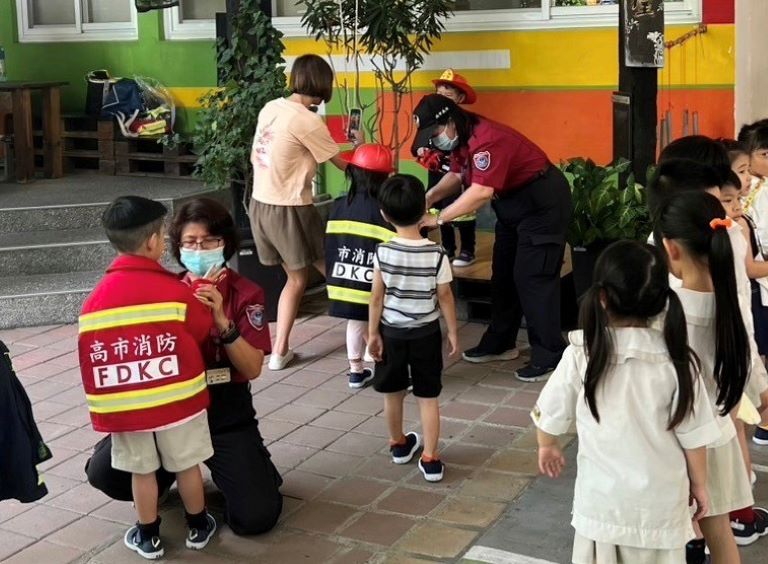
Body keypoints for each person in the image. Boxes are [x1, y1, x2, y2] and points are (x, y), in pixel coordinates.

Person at [85, 197, 284, 538]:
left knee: (256, 517)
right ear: (171, 245)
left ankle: (253, 468)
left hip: (223, 411)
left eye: (210, 241)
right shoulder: (161, 291)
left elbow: (252, 368)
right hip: (166, 411)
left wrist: (222, 320)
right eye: (190, 242)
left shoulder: (244, 292)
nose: (200, 248)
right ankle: (162, 477)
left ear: (226, 244)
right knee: (105, 472)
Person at [533, 240, 718, 564]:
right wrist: (700, 486)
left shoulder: (582, 354)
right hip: (661, 509)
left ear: (602, 298)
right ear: (662, 299)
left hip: (601, 507)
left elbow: (550, 413)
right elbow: (693, 439)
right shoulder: (678, 363)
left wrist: (547, 445)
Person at [78, 196, 216, 559]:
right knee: (187, 464)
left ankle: (148, 534)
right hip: (178, 402)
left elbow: (93, 357)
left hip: (129, 409)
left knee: (142, 471)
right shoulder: (175, 291)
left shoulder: (95, 302)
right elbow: (201, 331)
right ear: (154, 241)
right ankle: (198, 525)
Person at [414, 94, 572, 381]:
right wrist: (429, 198)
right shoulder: (463, 136)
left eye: (435, 132)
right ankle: (501, 342)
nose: (435, 140)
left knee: (532, 277)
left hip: (542, 203)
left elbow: (480, 192)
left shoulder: (487, 140)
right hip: (512, 204)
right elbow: (460, 175)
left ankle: (551, 354)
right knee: (503, 274)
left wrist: (438, 218)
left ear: (449, 121)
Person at [657, 191, 755, 564]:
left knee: (664, 540)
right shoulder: (730, 304)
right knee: (720, 534)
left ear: (671, 248)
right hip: (719, 437)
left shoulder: (667, 309)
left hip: (674, 446)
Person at [249, 53, 358, 371]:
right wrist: (364, 148)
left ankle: (280, 351)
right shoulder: (308, 120)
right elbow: (344, 165)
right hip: (290, 210)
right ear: (323, 84)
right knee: (336, 271)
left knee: (296, 278)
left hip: (261, 205)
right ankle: (369, 333)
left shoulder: (273, 108)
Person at [368, 174, 459, 483]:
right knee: (428, 396)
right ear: (424, 210)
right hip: (426, 333)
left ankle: (398, 445)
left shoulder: (382, 252)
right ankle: (431, 458)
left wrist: (372, 334)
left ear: (384, 214)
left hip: (391, 333)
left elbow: (376, 297)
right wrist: (454, 332)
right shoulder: (436, 255)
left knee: (392, 393)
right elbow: (445, 296)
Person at [324, 144, 394, 388]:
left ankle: (355, 372)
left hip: (343, 282)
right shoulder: (386, 209)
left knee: (355, 322)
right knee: (381, 327)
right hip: (374, 285)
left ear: (351, 172)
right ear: (385, 178)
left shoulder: (339, 204)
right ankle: (385, 367)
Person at [422, 69, 478, 267]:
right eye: (439, 95)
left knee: (463, 210)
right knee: (438, 209)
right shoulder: (431, 118)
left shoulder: (464, 120)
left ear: (460, 97)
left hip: (458, 173)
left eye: (448, 95)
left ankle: (467, 250)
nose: (442, 99)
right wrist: (424, 152)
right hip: (436, 172)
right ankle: (447, 248)